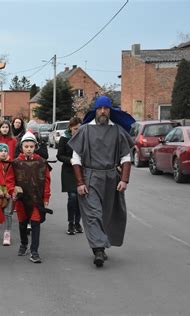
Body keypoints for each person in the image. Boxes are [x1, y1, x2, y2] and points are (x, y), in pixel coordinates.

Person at [68, 96, 135, 268]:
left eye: (106, 108)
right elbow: (75, 159)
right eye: (100, 108)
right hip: (90, 177)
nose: (103, 111)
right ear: (95, 111)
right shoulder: (85, 131)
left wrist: (125, 179)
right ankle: (98, 250)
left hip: (112, 178)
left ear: (110, 111)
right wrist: (80, 182)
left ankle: (100, 245)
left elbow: (126, 157)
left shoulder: (118, 131)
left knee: (106, 215)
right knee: (93, 214)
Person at [13, 131, 51, 263]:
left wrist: (46, 197)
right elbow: (10, 180)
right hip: (22, 199)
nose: (29, 149)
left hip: (37, 199)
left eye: (31, 146)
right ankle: (24, 244)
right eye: (26, 146)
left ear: (35, 147)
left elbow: (46, 180)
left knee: (35, 223)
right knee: (23, 223)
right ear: (21, 147)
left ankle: (34, 251)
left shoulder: (41, 162)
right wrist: (13, 190)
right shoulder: (16, 163)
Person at [57, 117, 83, 235]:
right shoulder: (64, 138)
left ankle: (78, 222)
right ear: (70, 128)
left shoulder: (83, 138)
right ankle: (70, 223)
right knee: (72, 197)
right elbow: (59, 155)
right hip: (68, 171)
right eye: (75, 129)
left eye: (79, 129)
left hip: (81, 171)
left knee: (80, 198)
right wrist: (71, 160)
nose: (77, 131)